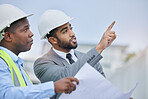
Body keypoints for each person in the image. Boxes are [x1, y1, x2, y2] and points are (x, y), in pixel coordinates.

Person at [0, 4, 79, 99]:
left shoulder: (15, 64)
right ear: (8, 36)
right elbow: (5, 94)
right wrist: (53, 87)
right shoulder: (1, 62)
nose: (31, 34)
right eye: (25, 29)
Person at [34, 10, 116, 99]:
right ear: (53, 40)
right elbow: (66, 75)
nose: (72, 34)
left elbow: (103, 90)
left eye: (71, 28)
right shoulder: (42, 64)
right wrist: (100, 47)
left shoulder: (92, 59)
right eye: (65, 31)